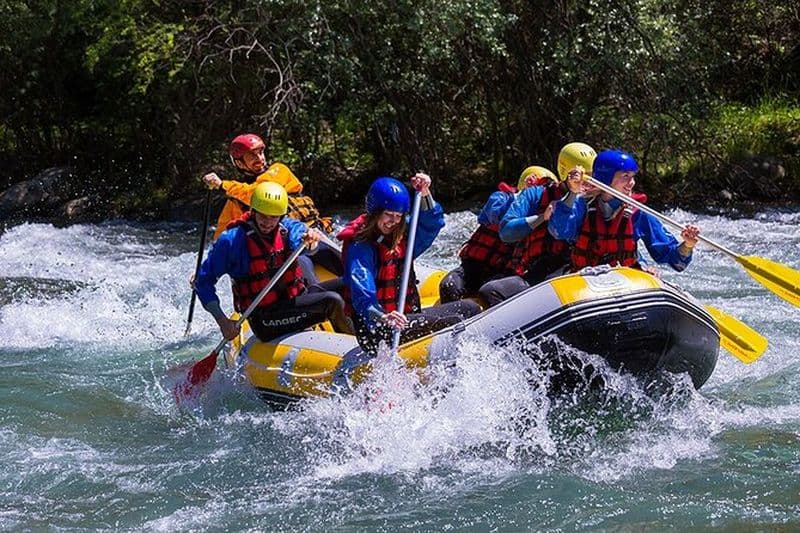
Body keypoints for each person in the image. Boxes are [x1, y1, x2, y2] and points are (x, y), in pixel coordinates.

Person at [338, 174, 481, 355]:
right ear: (375, 213)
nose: (394, 221)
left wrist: (425, 192)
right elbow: (362, 292)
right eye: (388, 215)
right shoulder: (360, 246)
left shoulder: (400, 238)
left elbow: (432, 224)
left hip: (402, 319)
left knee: (468, 308)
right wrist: (382, 316)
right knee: (462, 314)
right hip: (379, 329)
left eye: (398, 216)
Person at [194, 182, 352, 342]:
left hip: (293, 300)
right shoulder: (231, 241)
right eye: (262, 215)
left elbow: (299, 233)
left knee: (351, 284)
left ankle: (370, 334)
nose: (267, 222)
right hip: (265, 319)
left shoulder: (286, 226)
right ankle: (353, 349)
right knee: (333, 301)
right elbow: (202, 282)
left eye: (273, 217)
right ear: (253, 211)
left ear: (281, 216)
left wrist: (309, 238)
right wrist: (222, 322)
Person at [202, 133, 341, 277]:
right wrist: (206, 270)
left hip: (315, 236)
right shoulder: (235, 201)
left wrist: (223, 185)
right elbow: (221, 240)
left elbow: (260, 193)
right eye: (252, 156)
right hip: (286, 251)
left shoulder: (278, 170)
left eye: (261, 152)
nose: (260, 159)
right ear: (239, 163)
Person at [477, 143, 598, 306]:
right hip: (541, 269)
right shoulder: (535, 194)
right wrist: (542, 217)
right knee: (490, 290)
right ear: (567, 172)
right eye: (586, 176)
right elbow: (506, 233)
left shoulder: (601, 198)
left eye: (593, 176)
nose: (590, 183)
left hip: (577, 268)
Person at [548, 149, 701, 273]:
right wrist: (573, 192)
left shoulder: (638, 212)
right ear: (606, 178)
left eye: (633, 176)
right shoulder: (583, 205)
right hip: (585, 279)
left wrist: (687, 245)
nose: (631, 183)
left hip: (623, 281)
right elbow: (559, 231)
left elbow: (672, 258)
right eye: (625, 176)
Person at [438, 166, 557, 304]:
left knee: (490, 291)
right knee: (449, 286)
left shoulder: (538, 221)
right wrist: (518, 201)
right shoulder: (501, 197)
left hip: (502, 274)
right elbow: (492, 215)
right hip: (473, 267)